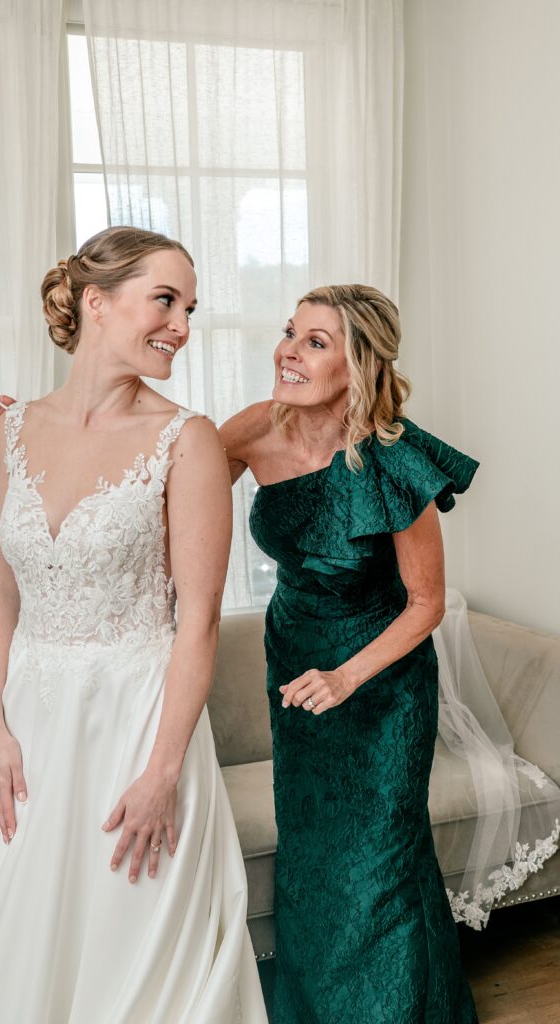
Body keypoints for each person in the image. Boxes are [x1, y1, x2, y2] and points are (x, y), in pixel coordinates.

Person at [0, 226, 268, 1024]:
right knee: (25, 942)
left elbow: (197, 624)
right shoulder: (16, 430)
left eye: (189, 308)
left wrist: (164, 773)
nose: (182, 326)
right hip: (27, 727)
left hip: (137, 726)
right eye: (165, 299)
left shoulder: (185, 440)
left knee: (136, 951)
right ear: (96, 302)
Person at [219, 285, 479, 1022]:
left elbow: (426, 602)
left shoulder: (394, 460)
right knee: (312, 854)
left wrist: (347, 676)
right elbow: (159, 483)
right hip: (294, 667)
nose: (287, 352)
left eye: (314, 341)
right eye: (288, 334)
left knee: (379, 860)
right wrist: (44, 436)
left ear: (357, 362)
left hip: (379, 685)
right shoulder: (251, 431)